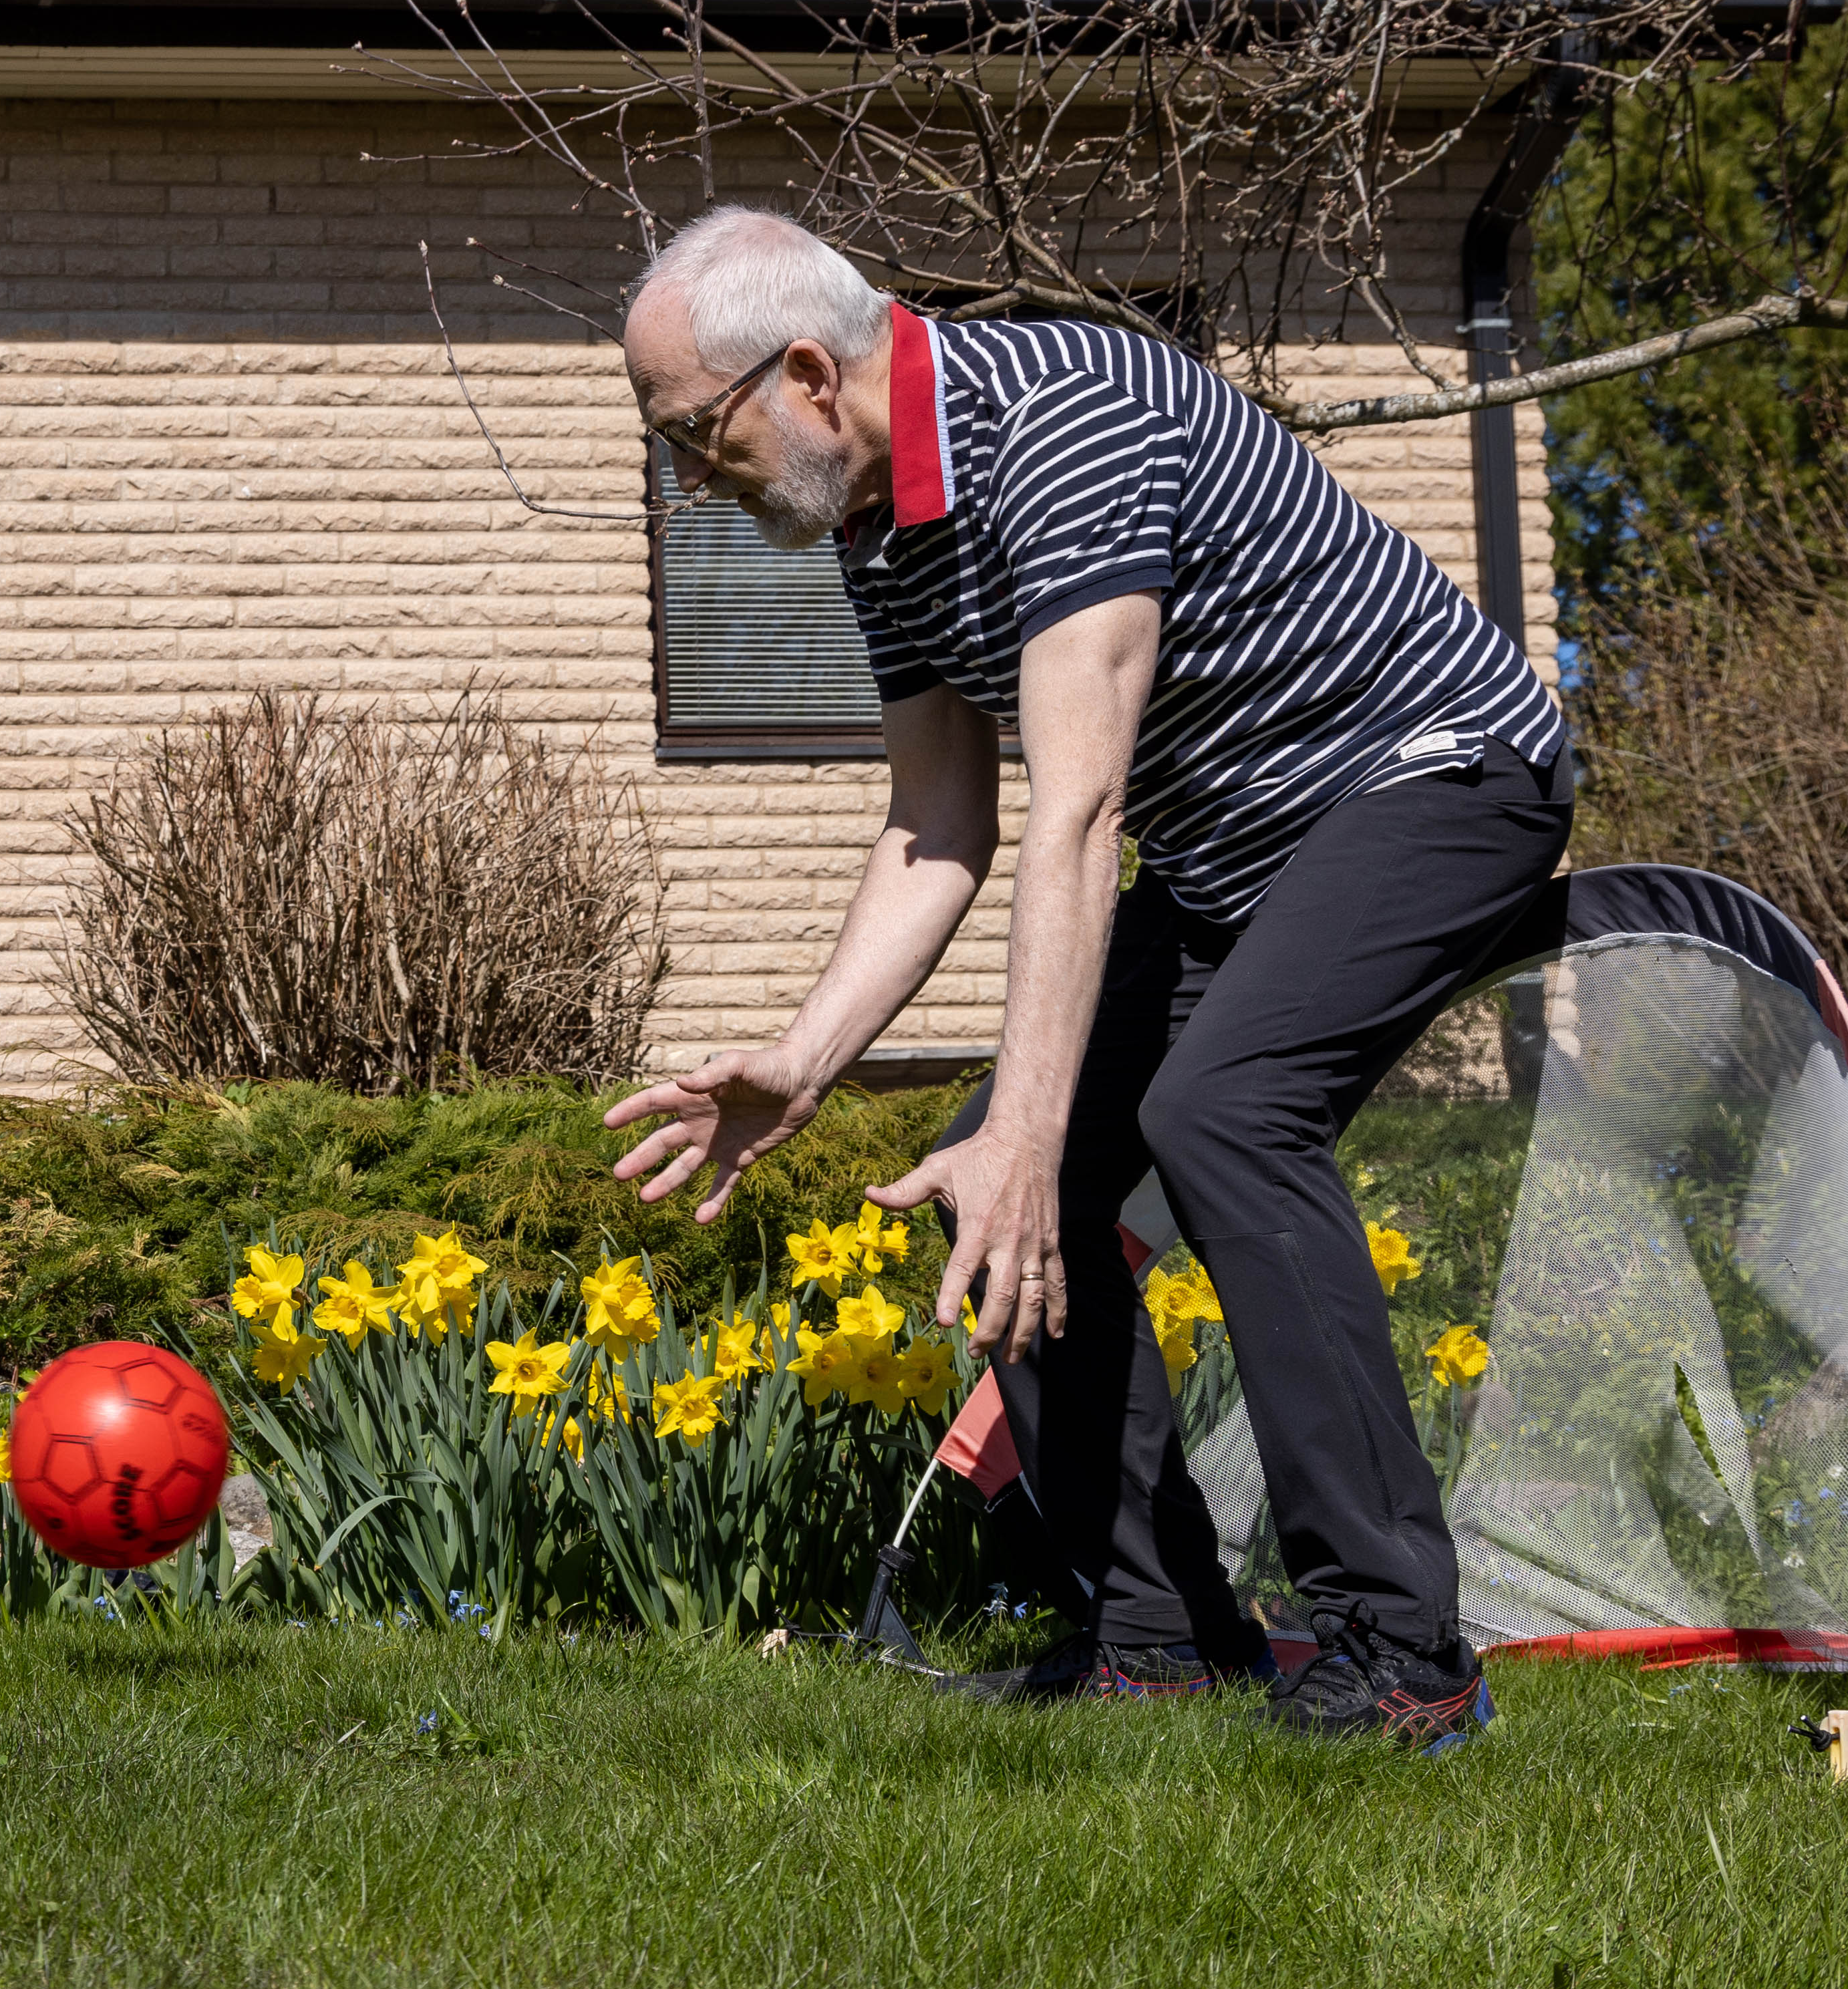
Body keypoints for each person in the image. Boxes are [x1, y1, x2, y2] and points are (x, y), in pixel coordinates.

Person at [603, 208, 1570, 1748]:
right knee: (1004, 1169)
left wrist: (1031, 1139)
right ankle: (1165, 1634)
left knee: (1219, 1113)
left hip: (1439, 774)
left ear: (801, 373)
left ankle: (1401, 1652)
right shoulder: (879, 531)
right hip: (1233, 862)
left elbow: (1075, 805)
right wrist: (805, 1059)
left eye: (690, 434)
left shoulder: (1065, 416)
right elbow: (935, 825)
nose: (686, 479)